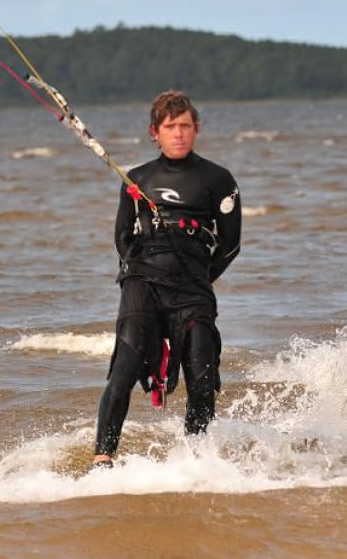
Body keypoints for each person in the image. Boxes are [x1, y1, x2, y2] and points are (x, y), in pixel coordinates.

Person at [91, 90, 241, 469]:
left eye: (185, 126)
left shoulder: (218, 180)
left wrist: (198, 279)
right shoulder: (136, 179)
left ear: (197, 129)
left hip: (192, 289)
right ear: (154, 132)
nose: (179, 134)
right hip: (143, 283)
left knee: (203, 379)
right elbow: (122, 239)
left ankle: (194, 461)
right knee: (123, 368)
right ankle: (103, 457)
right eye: (170, 127)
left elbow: (230, 245)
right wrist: (139, 274)